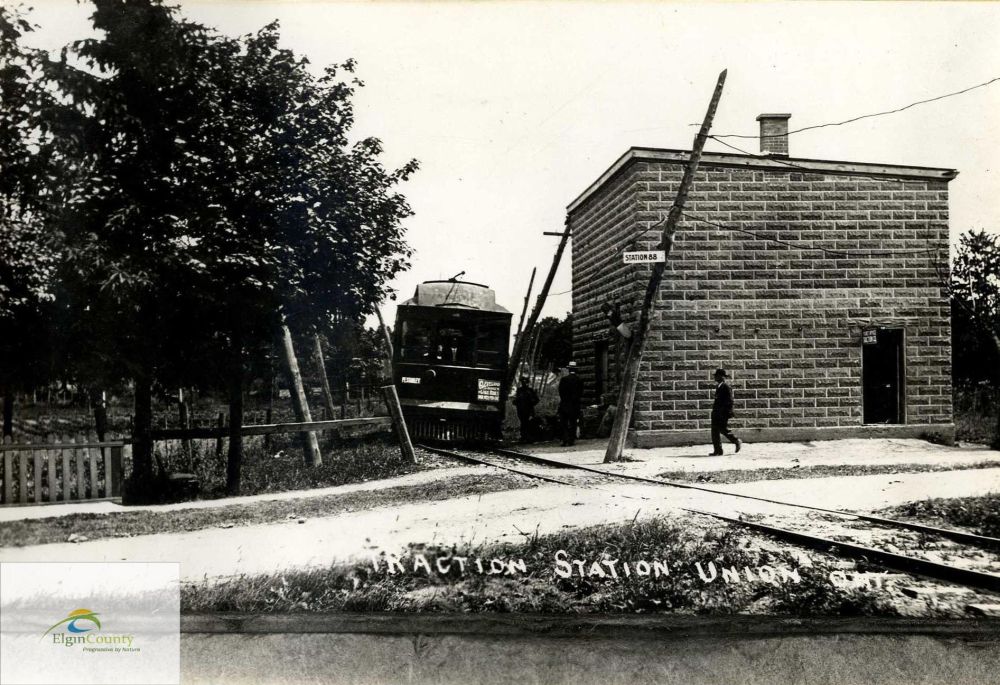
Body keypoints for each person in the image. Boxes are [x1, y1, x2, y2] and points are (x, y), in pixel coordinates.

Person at [710, 368, 742, 456]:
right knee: (714, 431)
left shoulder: (726, 387)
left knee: (723, 429)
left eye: (717, 376)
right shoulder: (719, 386)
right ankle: (718, 451)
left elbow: (730, 401)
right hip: (716, 413)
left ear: (722, 377)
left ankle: (736, 440)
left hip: (722, 413)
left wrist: (725, 412)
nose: (715, 377)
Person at [558, 362, 584, 447]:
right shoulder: (579, 380)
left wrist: (564, 400)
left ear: (569, 370)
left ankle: (564, 439)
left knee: (564, 423)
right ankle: (571, 440)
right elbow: (581, 393)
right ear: (576, 370)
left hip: (565, 404)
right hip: (575, 405)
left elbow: (561, 392)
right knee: (573, 422)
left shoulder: (564, 379)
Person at [512, 376, 539, 443]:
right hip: (521, 410)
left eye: (525, 382)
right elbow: (516, 400)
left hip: (528, 410)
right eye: (523, 382)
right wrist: (517, 403)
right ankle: (524, 436)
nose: (524, 383)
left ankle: (526, 437)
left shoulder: (530, 390)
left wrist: (531, 403)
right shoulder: (520, 390)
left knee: (526, 423)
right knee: (523, 423)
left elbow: (536, 400)